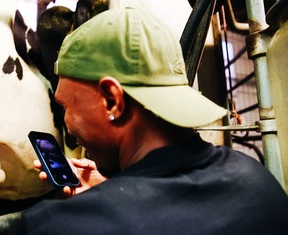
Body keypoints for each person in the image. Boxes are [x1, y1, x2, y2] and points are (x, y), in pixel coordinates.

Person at [19, 1, 288, 234]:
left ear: (112, 100)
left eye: (67, 105)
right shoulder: (259, 182)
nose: (67, 122)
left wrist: (106, 202)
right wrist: (116, 190)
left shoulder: (63, 225)